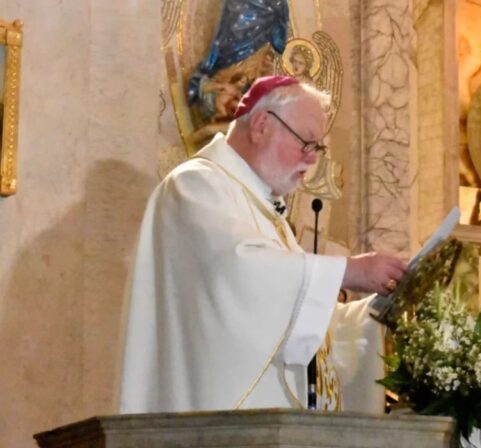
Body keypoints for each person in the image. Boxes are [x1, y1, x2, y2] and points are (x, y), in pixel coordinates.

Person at [119, 76, 407, 414]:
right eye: (307, 142)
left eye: (317, 148)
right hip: (213, 421)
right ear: (261, 126)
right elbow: (238, 272)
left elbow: (295, 316)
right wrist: (349, 271)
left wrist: (376, 311)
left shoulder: (266, 212)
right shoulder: (195, 185)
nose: (311, 159)